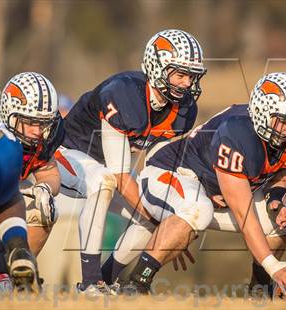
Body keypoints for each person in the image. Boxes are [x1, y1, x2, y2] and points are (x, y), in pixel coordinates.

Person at [105, 72, 286, 296]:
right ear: (263, 111)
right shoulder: (237, 133)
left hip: (214, 194)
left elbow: (281, 167)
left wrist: (277, 197)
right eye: (284, 121)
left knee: (284, 219)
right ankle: (136, 284)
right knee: (197, 209)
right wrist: (274, 267)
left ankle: (259, 291)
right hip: (172, 173)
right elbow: (243, 212)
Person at [55, 29, 207, 295]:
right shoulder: (123, 93)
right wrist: (162, 222)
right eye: (180, 74)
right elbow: (121, 178)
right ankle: (89, 283)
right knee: (103, 182)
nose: (186, 83)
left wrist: (171, 224)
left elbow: (157, 166)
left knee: (151, 211)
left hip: (107, 169)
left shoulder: (183, 110)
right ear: (157, 67)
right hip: (68, 156)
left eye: (191, 76)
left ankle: (107, 279)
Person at [0, 72, 64, 292]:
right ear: (9, 113)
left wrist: (44, 189)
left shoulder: (45, 135)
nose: (37, 132)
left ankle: (16, 272)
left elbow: (49, 173)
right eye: (30, 122)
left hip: (1, 196)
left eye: (43, 123)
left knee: (44, 206)